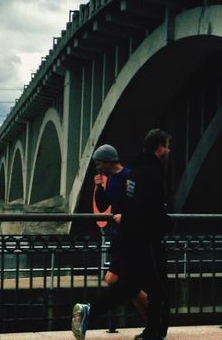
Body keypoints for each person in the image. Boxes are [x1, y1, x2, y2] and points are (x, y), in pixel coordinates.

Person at [72, 144, 148, 340]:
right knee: (128, 286)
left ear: (108, 161)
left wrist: (127, 217)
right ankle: (154, 321)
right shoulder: (111, 180)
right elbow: (105, 204)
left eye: (98, 163)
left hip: (130, 238)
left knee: (115, 280)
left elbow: (141, 205)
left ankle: (91, 311)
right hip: (119, 237)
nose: (97, 167)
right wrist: (98, 187)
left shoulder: (129, 178)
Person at [120, 129, 171, 340]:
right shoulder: (152, 173)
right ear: (159, 147)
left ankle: (154, 330)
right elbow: (151, 208)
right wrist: (165, 222)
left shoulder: (134, 172)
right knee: (158, 287)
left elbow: (130, 204)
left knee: (148, 285)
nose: (169, 151)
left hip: (135, 239)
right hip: (149, 239)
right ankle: (155, 331)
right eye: (167, 146)